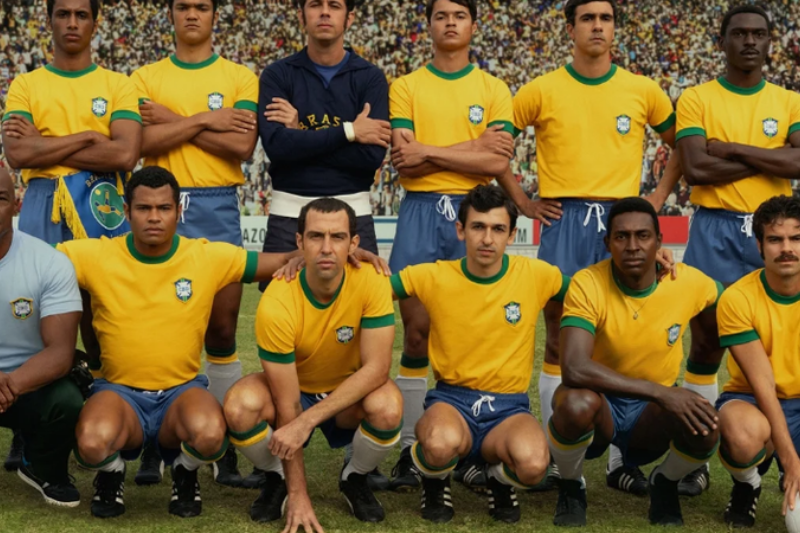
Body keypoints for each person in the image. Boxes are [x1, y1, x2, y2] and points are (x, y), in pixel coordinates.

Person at [59, 166, 342, 519]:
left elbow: (285, 260)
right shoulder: (94, 255)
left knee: (210, 434)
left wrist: (345, 255)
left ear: (179, 211)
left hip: (180, 392)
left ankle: (185, 469)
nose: (154, 217)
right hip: (119, 393)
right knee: (90, 442)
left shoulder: (206, 256)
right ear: (126, 211)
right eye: (144, 208)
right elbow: (35, 260)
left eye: (164, 208)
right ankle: (111, 473)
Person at [501, 0, 683, 495]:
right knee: (559, 335)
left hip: (620, 223)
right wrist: (522, 200)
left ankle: (622, 458)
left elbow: (682, 144)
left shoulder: (642, 89)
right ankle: (559, 457)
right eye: (587, 18)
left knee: (625, 334)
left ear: (615, 28)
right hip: (563, 219)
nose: (597, 26)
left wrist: (657, 200)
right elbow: (497, 145)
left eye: (605, 18)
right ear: (571, 28)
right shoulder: (541, 89)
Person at [0, 0, 141, 478]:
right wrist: (89, 137)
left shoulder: (118, 84)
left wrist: (50, 142)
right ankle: (27, 424)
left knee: (104, 315)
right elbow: (18, 154)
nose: (73, 22)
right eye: (63, 14)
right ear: (50, 21)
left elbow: (125, 155)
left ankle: (113, 414)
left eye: (82, 14)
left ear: (95, 23)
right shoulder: (26, 84)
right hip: (43, 199)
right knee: (33, 315)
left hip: (101, 202)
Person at [130, 0, 259, 487]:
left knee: (221, 329)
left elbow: (241, 147)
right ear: (170, 14)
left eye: (200, 6)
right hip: (160, 202)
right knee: (155, 325)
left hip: (217, 201)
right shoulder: (144, 77)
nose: (191, 14)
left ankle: (222, 445)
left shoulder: (239, 77)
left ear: (213, 15)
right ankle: (154, 441)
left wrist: (171, 120)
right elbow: (141, 145)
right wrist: (207, 119)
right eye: (182, 6)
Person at [387, 0, 515, 491]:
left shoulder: (493, 88)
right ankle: (410, 446)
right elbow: (405, 161)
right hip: (420, 211)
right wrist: (471, 148)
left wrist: (429, 150)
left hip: (473, 212)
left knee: (470, 333)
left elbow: (496, 161)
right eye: (441, 15)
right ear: (429, 25)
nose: (450, 23)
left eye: (459, 15)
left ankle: (469, 442)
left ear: (473, 25)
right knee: (416, 332)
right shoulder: (406, 86)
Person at [676, 3, 800, 493]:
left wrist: (729, 148)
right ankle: (699, 454)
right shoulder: (696, 98)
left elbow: (799, 164)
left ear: (770, 42)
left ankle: (768, 435)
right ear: (722, 41)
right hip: (715, 227)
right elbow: (696, 170)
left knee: (775, 338)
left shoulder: (789, 100)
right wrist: (771, 158)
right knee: (707, 342)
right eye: (740, 33)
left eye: (759, 34)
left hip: (771, 229)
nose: (750, 41)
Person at [391, 184, 567, 523]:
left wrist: (652, 268)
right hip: (452, 402)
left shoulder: (536, 275)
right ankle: (434, 478)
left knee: (534, 466)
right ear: (461, 230)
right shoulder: (434, 275)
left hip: (508, 408)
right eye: (478, 227)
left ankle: (498, 479)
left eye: (498, 229)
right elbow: (371, 291)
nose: (487, 239)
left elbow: (594, 290)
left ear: (512, 235)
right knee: (438, 446)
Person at [223, 198, 401, 530]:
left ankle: (354, 477)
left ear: (353, 244)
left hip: (346, 393)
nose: (326, 248)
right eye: (316, 236)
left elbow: (377, 369)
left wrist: (306, 422)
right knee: (239, 405)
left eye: (338, 237)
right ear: (300, 241)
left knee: (388, 407)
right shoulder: (277, 300)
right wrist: (298, 493)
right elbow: (287, 403)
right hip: (295, 392)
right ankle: (277, 477)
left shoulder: (372, 280)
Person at [549, 197, 721, 527]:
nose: (632, 246)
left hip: (650, 417)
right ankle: (571, 486)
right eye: (621, 236)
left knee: (706, 425)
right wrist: (661, 392)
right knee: (574, 404)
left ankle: (664, 482)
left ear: (659, 242)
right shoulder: (588, 282)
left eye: (643, 236)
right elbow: (574, 368)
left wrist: (706, 356)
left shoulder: (686, 281)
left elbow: (732, 302)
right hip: (601, 404)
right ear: (607, 243)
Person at [257, 0, 389, 265]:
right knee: (281, 293)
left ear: (349, 18)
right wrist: (350, 132)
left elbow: (370, 157)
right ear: (301, 16)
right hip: (288, 214)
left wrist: (299, 137)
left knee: (362, 293)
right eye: (316, 4)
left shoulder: (371, 78)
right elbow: (278, 148)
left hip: (354, 213)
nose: (325, 12)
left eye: (335, 5)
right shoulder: (277, 75)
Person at [715, 195, 800, 529]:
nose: (787, 248)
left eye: (796, 238)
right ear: (760, 245)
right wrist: (790, 458)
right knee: (742, 433)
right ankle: (747, 484)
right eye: (775, 239)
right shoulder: (737, 298)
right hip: (753, 399)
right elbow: (764, 384)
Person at [0, 167, 83, 507]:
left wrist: (9, 385)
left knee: (67, 401)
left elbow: (61, 353)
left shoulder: (48, 262)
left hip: (30, 383)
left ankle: (42, 465)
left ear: (16, 204)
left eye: (0, 199)